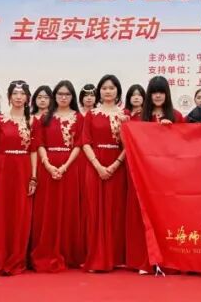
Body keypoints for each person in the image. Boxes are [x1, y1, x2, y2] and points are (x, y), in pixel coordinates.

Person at [126, 76, 185, 274]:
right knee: (143, 217)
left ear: (167, 94)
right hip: (143, 176)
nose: (158, 96)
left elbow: (184, 146)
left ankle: (170, 259)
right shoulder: (138, 118)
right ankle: (145, 261)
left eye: (161, 92)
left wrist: (171, 131)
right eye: (154, 92)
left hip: (167, 177)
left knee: (166, 217)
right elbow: (128, 145)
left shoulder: (176, 116)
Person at [0, 80, 37, 277]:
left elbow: (34, 151)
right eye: (15, 93)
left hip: (23, 169)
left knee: (20, 215)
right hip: (2, 168)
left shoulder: (33, 122)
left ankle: (16, 259)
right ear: (9, 97)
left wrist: (33, 177)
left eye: (22, 94)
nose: (19, 97)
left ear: (28, 98)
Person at [30, 81, 85, 272]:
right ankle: (45, 250)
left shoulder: (79, 118)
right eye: (60, 94)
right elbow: (39, 143)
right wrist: (47, 164)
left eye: (67, 94)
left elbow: (79, 144)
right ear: (55, 96)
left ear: (72, 97)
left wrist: (65, 166)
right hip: (48, 168)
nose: (63, 97)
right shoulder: (45, 118)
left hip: (70, 167)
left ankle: (68, 253)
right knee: (47, 210)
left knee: (68, 209)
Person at [82, 75, 129, 272]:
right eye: (104, 88)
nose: (108, 91)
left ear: (118, 91)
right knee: (95, 211)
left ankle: (116, 257)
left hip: (118, 165)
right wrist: (98, 166)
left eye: (111, 88)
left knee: (115, 210)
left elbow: (130, 145)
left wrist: (115, 164)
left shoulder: (125, 115)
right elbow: (85, 142)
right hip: (94, 165)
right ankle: (97, 258)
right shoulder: (91, 114)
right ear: (99, 92)